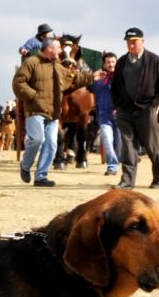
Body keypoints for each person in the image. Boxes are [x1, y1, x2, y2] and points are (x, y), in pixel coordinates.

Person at [11, 37, 100, 187]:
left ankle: (41, 176)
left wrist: (93, 77)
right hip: (36, 110)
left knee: (51, 145)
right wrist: (33, 96)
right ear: (49, 49)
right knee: (38, 140)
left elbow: (73, 79)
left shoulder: (58, 66)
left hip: (53, 113)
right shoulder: (31, 63)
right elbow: (18, 82)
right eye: (58, 48)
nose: (60, 51)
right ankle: (25, 166)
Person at [110, 27, 159, 190]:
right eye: (128, 42)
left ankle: (157, 178)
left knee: (152, 146)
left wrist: (155, 102)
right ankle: (127, 181)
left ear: (143, 41)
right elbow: (115, 85)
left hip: (146, 109)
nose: (131, 45)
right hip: (125, 110)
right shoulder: (122, 61)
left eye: (134, 42)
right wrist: (117, 104)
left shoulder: (154, 60)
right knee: (127, 146)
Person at [90, 51, 121, 177]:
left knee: (120, 143)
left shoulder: (122, 78)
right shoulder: (99, 79)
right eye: (108, 62)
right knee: (107, 140)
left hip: (121, 115)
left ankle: (119, 162)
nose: (111, 64)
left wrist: (120, 107)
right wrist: (94, 78)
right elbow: (91, 90)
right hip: (104, 116)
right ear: (104, 64)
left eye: (113, 61)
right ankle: (112, 166)